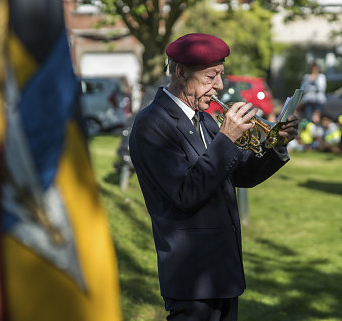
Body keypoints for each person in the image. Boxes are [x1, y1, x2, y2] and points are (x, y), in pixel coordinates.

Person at [128, 33, 299, 321]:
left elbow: (241, 174)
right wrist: (227, 138)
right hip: (191, 275)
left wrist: (277, 144)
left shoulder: (205, 118)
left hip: (223, 269)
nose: (219, 86)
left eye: (220, 75)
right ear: (181, 73)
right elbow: (186, 192)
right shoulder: (152, 124)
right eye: (210, 77)